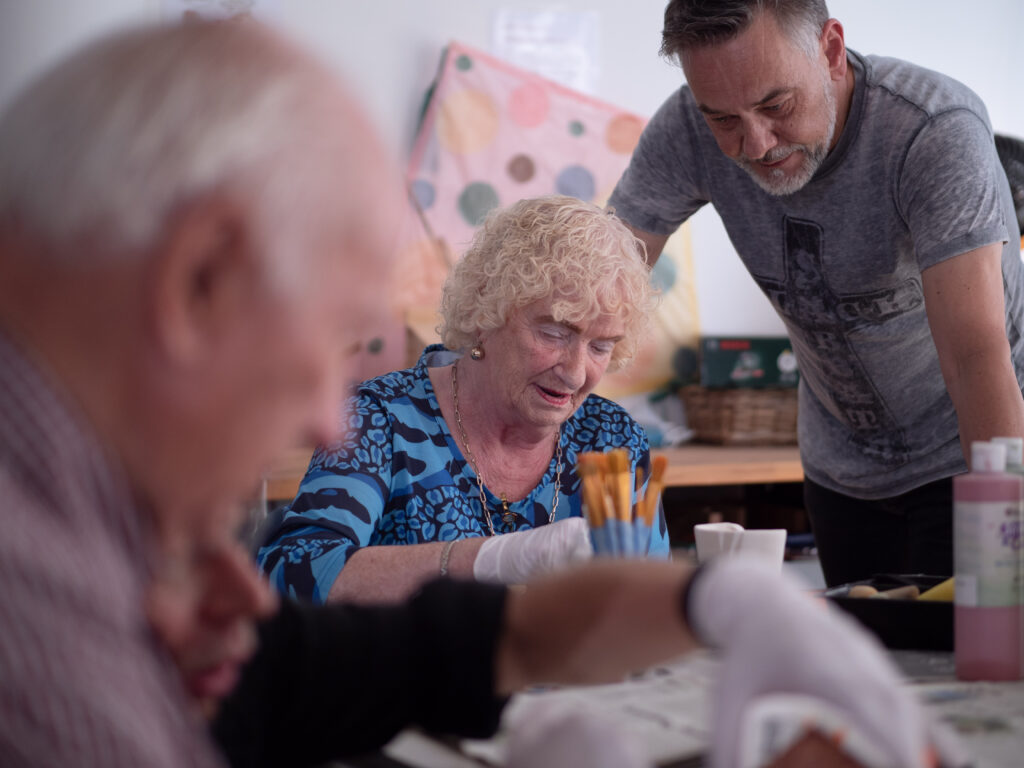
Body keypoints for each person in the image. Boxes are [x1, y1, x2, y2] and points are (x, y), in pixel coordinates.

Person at [0, 19, 942, 768]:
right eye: (328, 345)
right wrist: (503, 562)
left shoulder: (94, 531)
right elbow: (306, 596)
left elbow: (339, 666)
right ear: (195, 285)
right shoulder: (38, 610)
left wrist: (707, 607)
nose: (328, 418)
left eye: (601, 343)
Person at [608, 0, 1024, 586]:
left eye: (776, 105)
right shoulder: (686, 129)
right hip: (840, 470)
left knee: (979, 659)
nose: (755, 144)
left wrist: (1006, 538)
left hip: (975, 451)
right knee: (858, 666)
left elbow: (974, 357)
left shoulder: (933, 129)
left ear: (830, 50)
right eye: (723, 120)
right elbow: (602, 277)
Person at [257, 195, 670, 605]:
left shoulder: (612, 439)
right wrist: (490, 559)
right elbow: (291, 576)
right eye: (555, 333)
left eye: (600, 346)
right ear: (486, 310)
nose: (576, 372)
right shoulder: (378, 420)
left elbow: (651, 604)